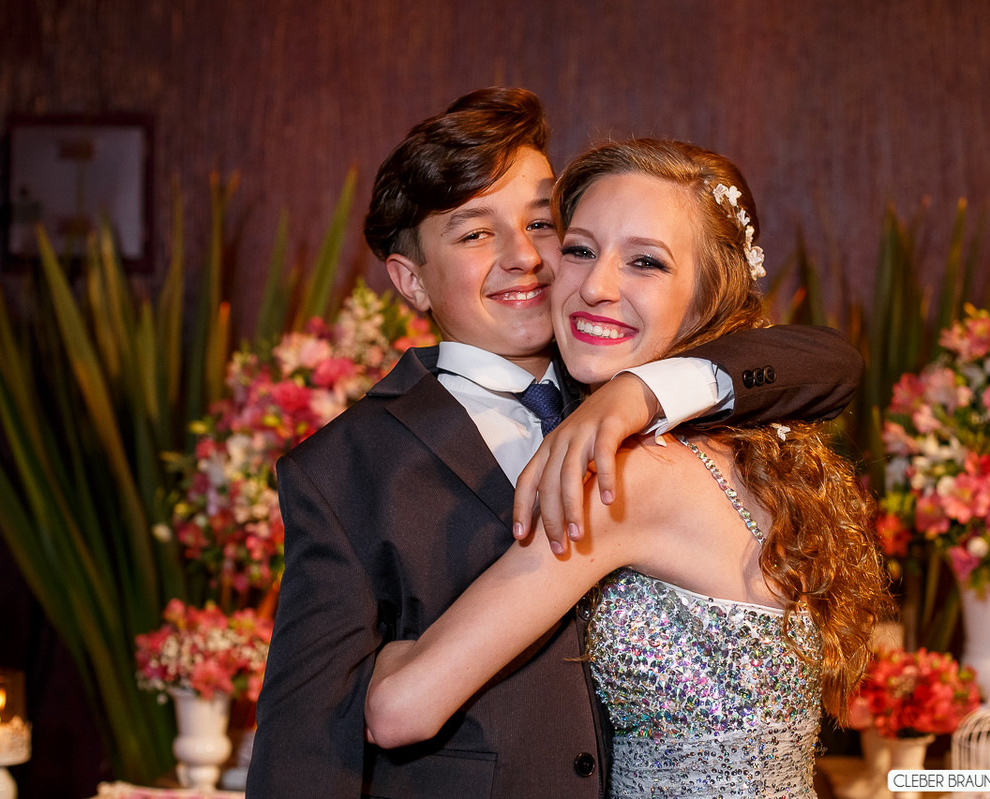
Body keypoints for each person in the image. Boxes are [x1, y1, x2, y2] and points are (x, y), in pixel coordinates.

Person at [248, 89, 865, 798]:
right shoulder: (345, 468)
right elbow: (302, 753)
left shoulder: (633, 405)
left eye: (543, 224)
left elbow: (828, 362)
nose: (526, 259)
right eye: (475, 233)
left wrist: (643, 392)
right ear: (410, 279)